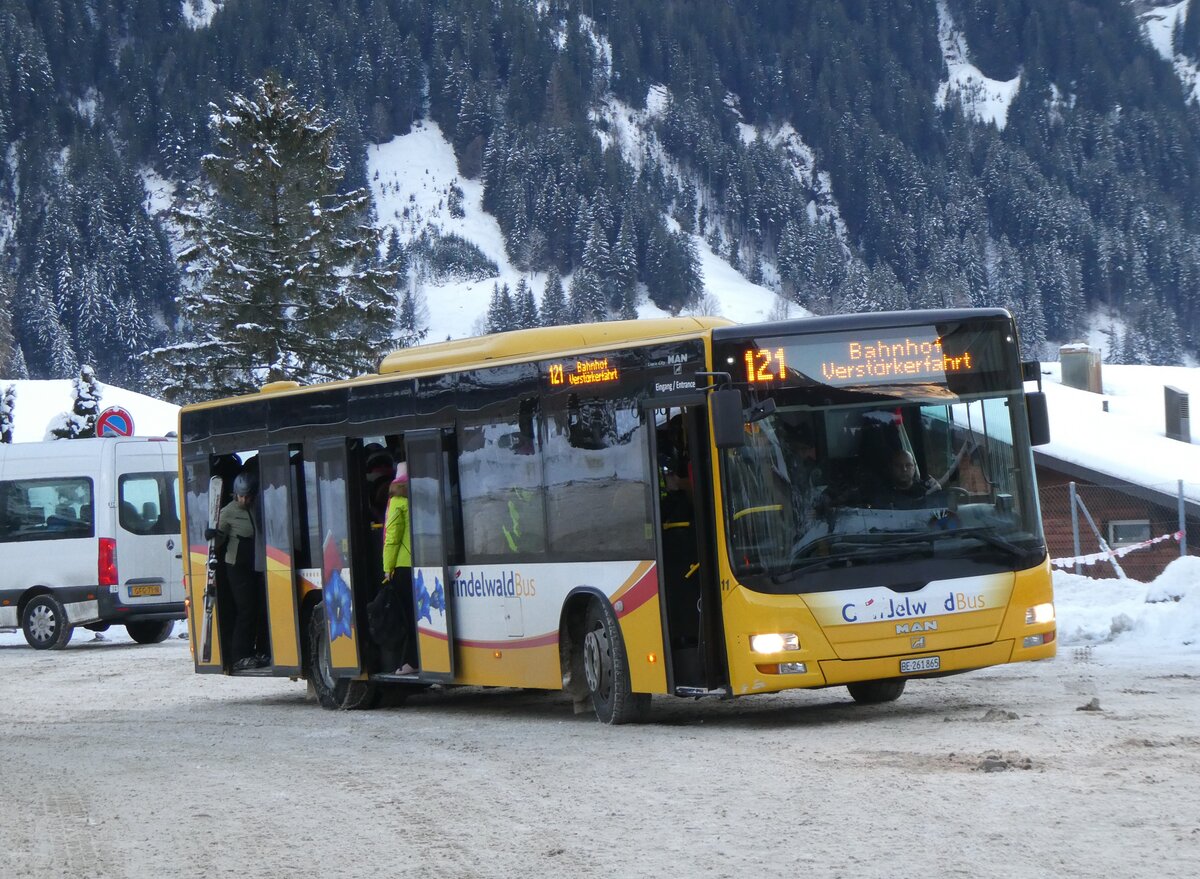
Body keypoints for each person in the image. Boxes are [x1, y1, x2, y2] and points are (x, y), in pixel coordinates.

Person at [207, 471, 268, 670]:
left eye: (247, 496)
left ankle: (262, 650)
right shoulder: (228, 512)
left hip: (257, 564)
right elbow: (218, 542)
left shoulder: (258, 507)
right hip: (237, 567)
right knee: (246, 610)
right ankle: (240, 655)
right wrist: (212, 535)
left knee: (261, 608)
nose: (244, 500)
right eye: (241, 496)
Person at [378, 464, 417, 675]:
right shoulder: (420, 498)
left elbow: (392, 538)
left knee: (407, 616)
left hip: (403, 567)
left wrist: (387, 568)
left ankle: (410, 661)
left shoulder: (397, 502)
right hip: (422, 563)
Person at [867, 448, 940, 510]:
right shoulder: (882, 495)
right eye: (898, 465)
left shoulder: (926, 492)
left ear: (914, 467)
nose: (904, 469)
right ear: (891, 467)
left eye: (908, 465)